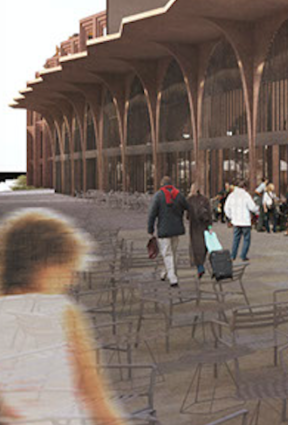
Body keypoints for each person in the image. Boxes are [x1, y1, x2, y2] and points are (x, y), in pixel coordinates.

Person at [0, 209, 127, 424]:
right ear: (44, 265)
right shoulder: (63, 312)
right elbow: (95, 395)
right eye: (66, 266)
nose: (70, 279)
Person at [146, 175, 190, 287]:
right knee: (173, 253)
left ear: (162, 184)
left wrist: (150, 229)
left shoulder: (158, 196)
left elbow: (152, 214)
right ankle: (166, 273)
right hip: (177, 229)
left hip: (164, 229)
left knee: (167, 253)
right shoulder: (179, 195)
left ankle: (172, 278)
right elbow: (187, 207)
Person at [223, 179, 257, 262]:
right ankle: (243, 255)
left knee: (236, 239)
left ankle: (233, 255)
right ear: (244, 187)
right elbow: (252, 207)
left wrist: (231, 217)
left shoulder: (231, 195)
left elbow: (226, 208)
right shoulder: (246, 195)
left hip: (236, 221)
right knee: (246, 239)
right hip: (245, 221)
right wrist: (257, 210)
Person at [186, 182, 213, 277]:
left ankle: (200, 267)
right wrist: (210, 227)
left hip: (194, 227)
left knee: (195, 247)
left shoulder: (189, 200)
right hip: (204, 226)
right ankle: (205, 264)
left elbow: (187, 216)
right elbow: (209, 214)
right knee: (205, 246)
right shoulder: (205, 200)